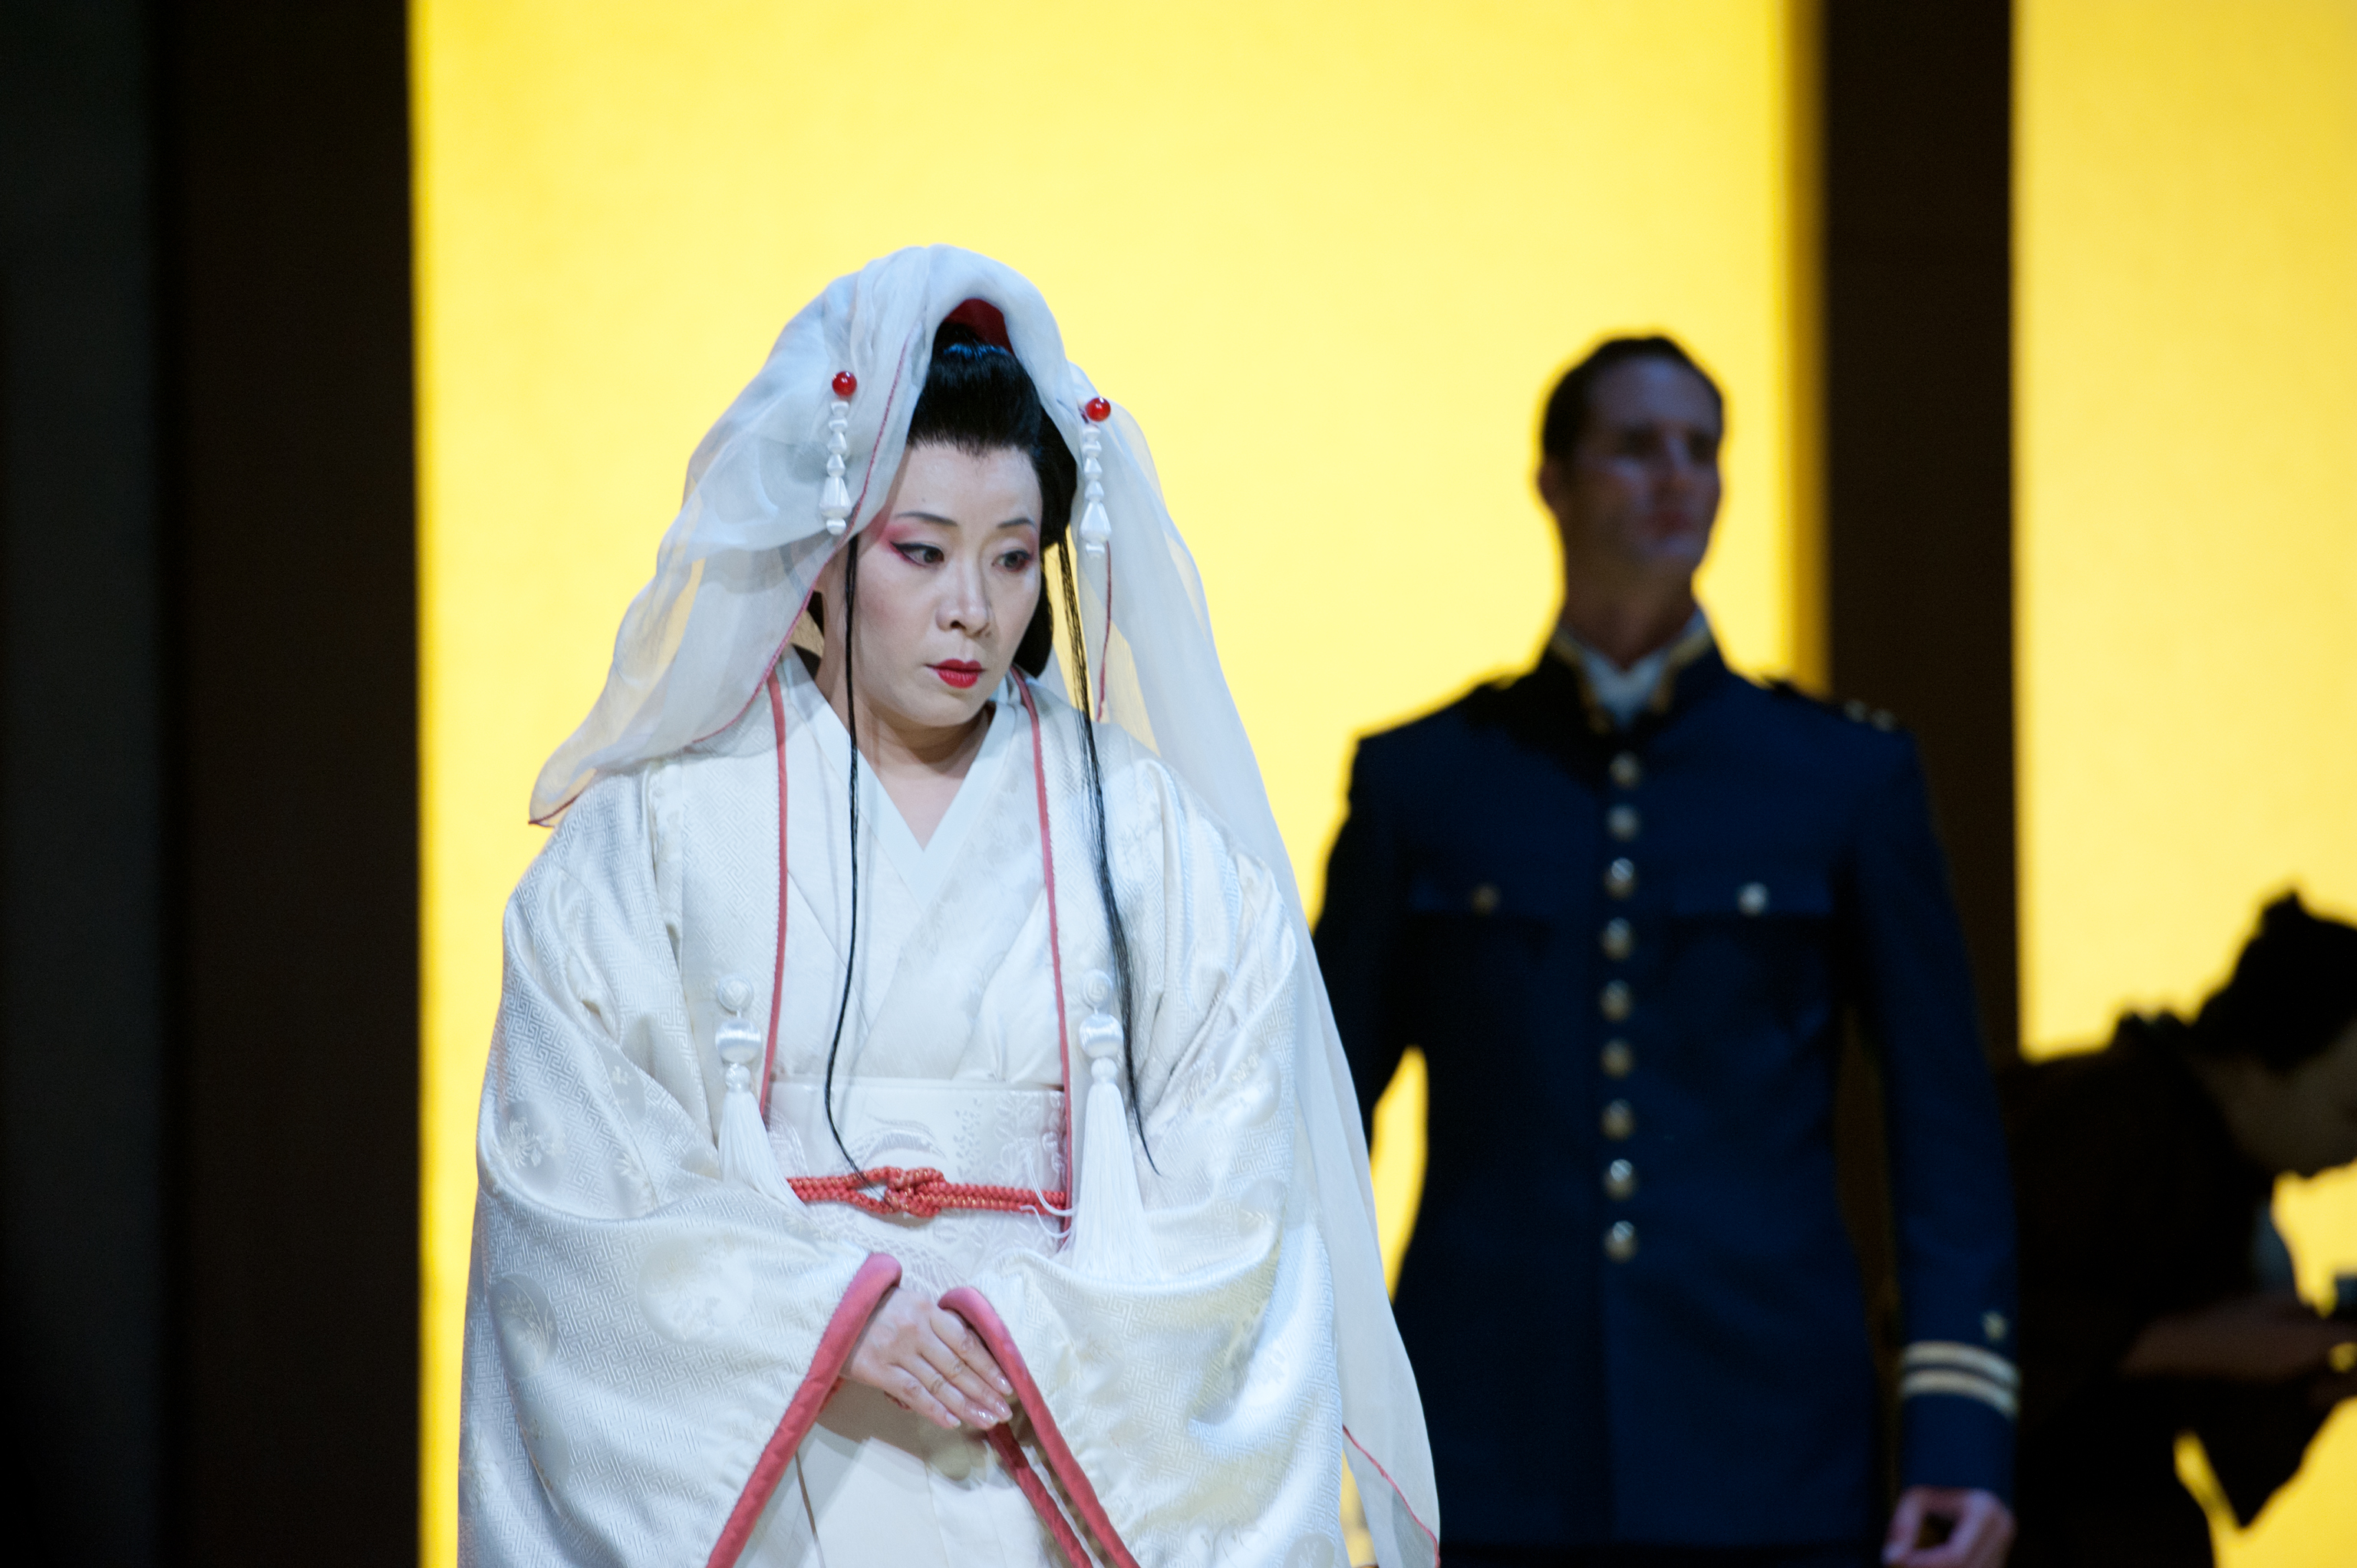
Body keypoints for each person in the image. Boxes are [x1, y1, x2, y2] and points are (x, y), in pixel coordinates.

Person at [457, 248, 1438, 1568]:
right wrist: (825, 1318)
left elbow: (1238, 1177)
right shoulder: (654, 834)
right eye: (920, 552)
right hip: (772, 1461)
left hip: (1047, 1453)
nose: (971, 609)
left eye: (1013, 558)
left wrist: (1035, 1336)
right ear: (824, 552)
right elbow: (575, 1172)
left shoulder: (1149, 839)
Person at [1315, 337, 2017, 1567]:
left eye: (1703, 450)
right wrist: (1269, 1402)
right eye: (1636, 447)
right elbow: (1316, 1124)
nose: (1677, 477)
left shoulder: (1842, 778)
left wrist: (1958, 1427)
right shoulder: (1428, 782)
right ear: (1552, 481)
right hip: (1487, 1432)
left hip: (1772, 1438)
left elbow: (1944, 1129)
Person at [2004, 892, 2357, 1566]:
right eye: (2352, 1113)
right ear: (2254, 1072)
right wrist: (2193, 1343)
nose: (2353, 1149)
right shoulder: (2100, 1120)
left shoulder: (2227, 1175)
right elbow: (1953, 1316)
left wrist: (2319, 1379)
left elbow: (2237, 1446)